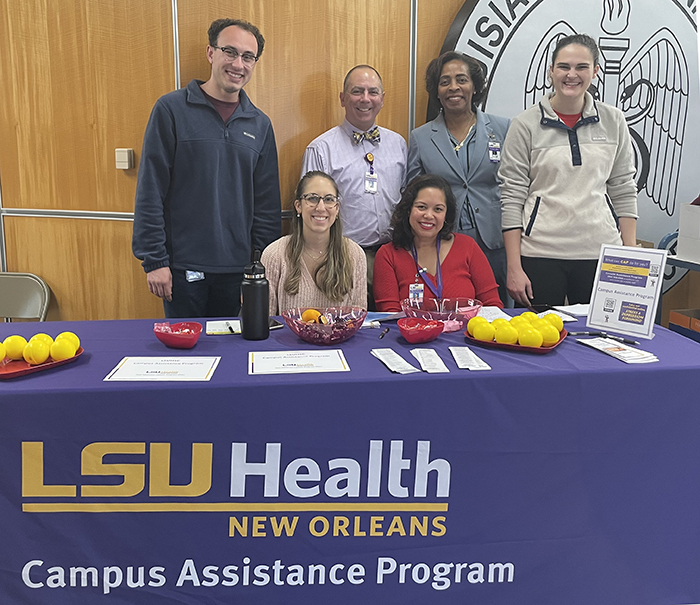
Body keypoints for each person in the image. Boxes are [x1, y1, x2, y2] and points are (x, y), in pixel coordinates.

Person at [132, 18, 281, 318]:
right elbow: (150, 190)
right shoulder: (171, 110)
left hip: (239, 274)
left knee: (235, 357)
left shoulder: (260, 124)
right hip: (181, 269)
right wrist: (155, 261)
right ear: (210, 53)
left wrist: (257, 271)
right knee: (187, 360)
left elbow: (266, 207)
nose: (238, 64)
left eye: (248, 56)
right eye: (230, 51)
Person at [499, 33, 638, 307]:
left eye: (581, 67)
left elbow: (623, 187)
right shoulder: (525, 124)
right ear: (551, 71)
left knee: (601, 342)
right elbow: (512, 196)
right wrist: (514, 267)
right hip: (540, 254)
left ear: (595, 71)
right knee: (536, 342)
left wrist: (630, 253)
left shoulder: (614, 120)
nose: (571, 75)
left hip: (600, 253)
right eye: (563, 67)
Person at [408, 51, 511, 306]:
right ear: (437, 90)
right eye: (445, 81)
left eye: (461, 79)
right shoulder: (421, 138)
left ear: (474, 86)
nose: (454, 87)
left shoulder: (503, 128)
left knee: (499, 308)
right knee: (453, 307)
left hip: (495, 241)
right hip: (444, 242)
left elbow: (517, 185)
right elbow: (411, 193)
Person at [301, 65, 407, 308]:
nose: (365, 99)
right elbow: (311, 211)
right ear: (342, 98)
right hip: (342, 256)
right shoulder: (321, 148)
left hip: (392, 255)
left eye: (373, 92)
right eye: (357, 91)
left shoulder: (399, 145)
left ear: (382, 98)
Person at [373, 174, 503, 312]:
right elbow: (389, 315)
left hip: (466, 332)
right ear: (408, 209)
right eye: (422, 207)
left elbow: (492, 306)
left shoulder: (467, 247)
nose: (429, 215)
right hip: (411, 333)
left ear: (446, 215)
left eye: (438, 209)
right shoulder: (388, 255)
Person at [262, 171, 367, 314]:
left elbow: (357, 321)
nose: (321, 207)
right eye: (312, 198)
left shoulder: (355, 254)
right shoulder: (274, 254)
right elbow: (265, 323)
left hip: (340, 337)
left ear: (337, 208)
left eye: (329, 199)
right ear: (298, 206)